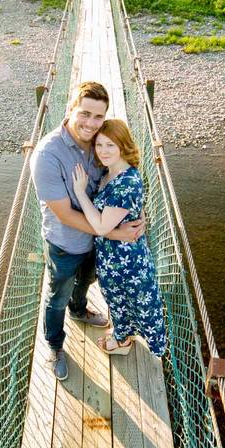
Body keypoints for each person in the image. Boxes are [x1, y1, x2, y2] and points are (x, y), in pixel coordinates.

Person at [30, 81, 146, 380]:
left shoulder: (101, 140)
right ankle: (55, 346)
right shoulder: (47, 155)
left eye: (99, 117)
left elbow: (124, 168)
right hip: (66, 244)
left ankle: (79, 310)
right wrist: (114, 233)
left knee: (87, 281)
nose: (91, 124)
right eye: (85, 114)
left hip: (98, 243)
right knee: (58, 296)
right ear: (70, 109)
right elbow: (64, 213)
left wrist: (137, 209)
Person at [71, 119, 167, 358]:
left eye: (110, 145)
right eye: (100, 145)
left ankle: (122, 342)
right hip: (113, 256)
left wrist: (80, 193)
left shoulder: (125, 183)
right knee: (118, 300)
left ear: (123, 146)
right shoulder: (111, 172)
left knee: (130, 300)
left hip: (127, 262)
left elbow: (102, 226)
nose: (103, 151)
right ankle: (122, 335)